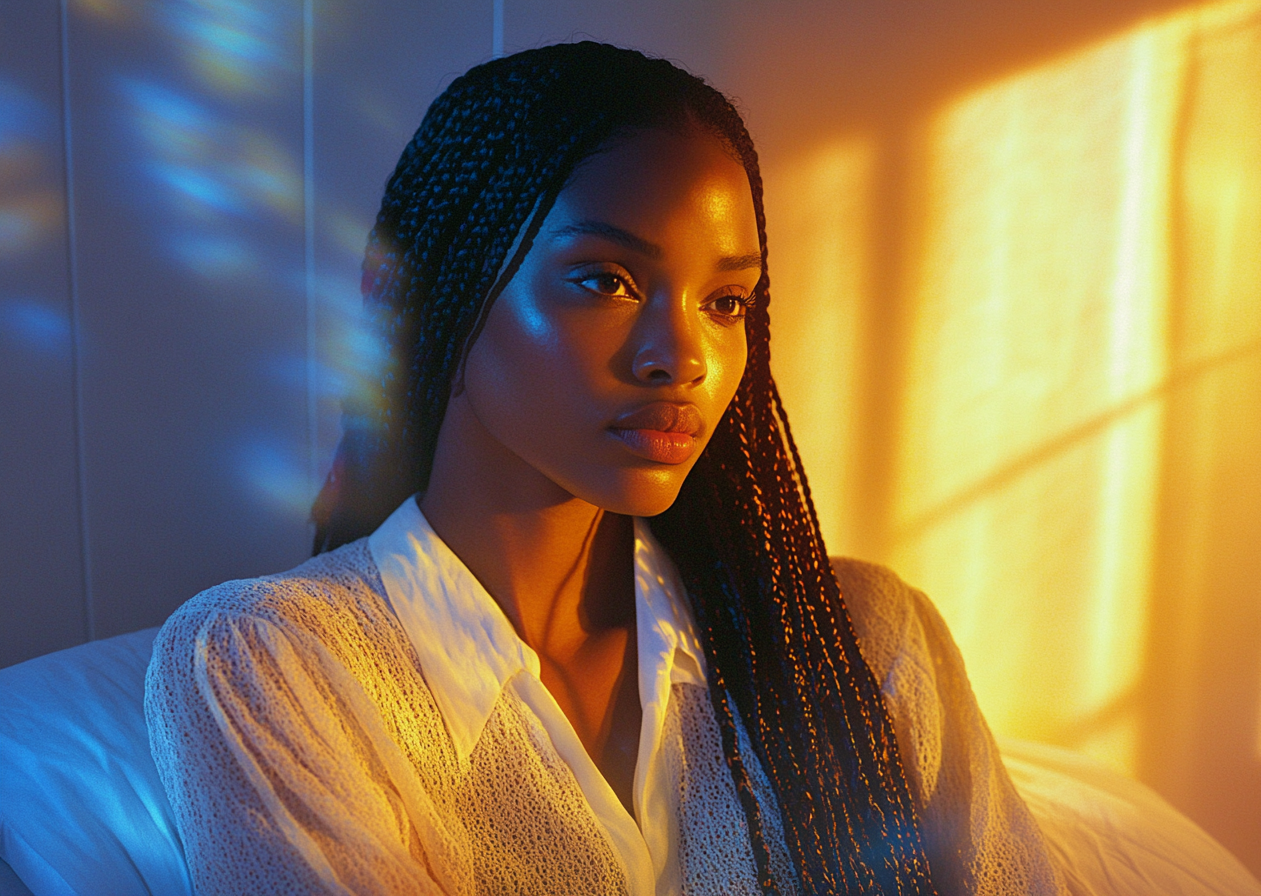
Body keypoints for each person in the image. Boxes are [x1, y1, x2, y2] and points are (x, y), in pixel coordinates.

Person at [143, 42, 1066, 896]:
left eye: (726, 300)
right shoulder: (275, 664)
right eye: (606, 279)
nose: (683, 357)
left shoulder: (862, 640)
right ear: (438, 291)